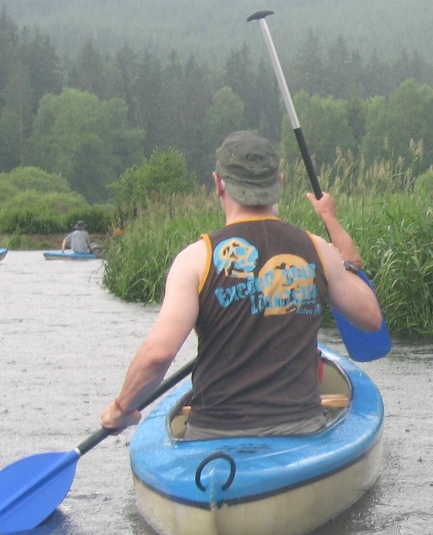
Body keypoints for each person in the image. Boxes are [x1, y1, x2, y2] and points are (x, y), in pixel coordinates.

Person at [99, 130, 382, 440]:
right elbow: (370, 319)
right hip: (300, 428)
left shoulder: (195, 259)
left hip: (212, 432)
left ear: (218, 183)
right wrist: (341, 254)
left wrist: (122, 408)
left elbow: (158, 355)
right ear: (279, 183)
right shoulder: (317, 249)